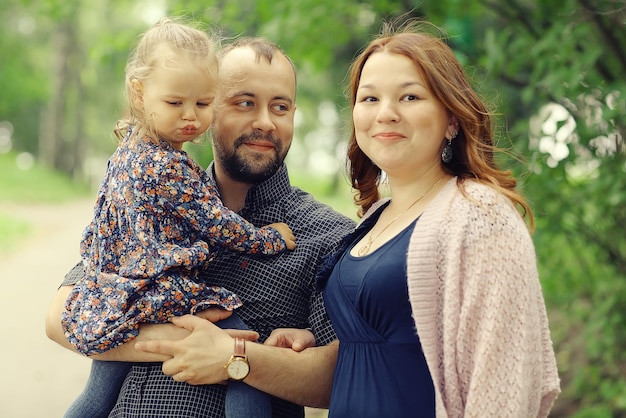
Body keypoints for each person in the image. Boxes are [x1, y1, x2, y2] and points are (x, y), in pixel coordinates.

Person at [134, 19, 561, 417]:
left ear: (451, 117)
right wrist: (300, 345)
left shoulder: (476, 216)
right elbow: (69, 310)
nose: (386, 113)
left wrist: (235, 356)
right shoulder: (372, 224)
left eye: (409, 96)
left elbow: (502, 385)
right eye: (370, 98)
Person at [45, 34, 356, 418]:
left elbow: (345, 374)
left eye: (281, 106)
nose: (264, 121)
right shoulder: (149, 197)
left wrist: (237, 358)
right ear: (214, 108)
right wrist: (172, 339)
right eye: (244, 102)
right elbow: (58, 317)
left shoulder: (329, 235)